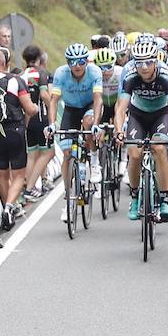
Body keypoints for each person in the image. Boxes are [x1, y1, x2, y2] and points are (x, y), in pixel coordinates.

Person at [114, 40, 168, 222]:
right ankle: (134, 198)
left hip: (161, 115)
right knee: (134, 154)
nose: (144, 67)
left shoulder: (166, 76)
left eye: (148, 62)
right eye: (139, 62)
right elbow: (120, 109)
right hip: (138, 115)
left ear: (156, 61)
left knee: (159, 148)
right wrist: (119, 130)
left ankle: (164, 200)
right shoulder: (131, 76)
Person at [0, 47, 39, 230]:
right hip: (15, 131)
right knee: (19, 175)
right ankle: (9, 207)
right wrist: (36, 108)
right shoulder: (15, 81)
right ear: (5, 63)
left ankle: (7, 212)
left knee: (2, 175)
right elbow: (29, 109)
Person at [47, 43, 103, 223]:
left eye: (80, 61)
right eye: (72, 62)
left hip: (88, 107)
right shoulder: (61, 73)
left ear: (86, 61)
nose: (77, 66)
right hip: (70, 109)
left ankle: (94, 159)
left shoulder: (94, 72)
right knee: (66, 154)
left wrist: (95, 124)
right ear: (67, 63)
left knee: (88, 124)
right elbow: (54, 100)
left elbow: (98, 99)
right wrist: (51, 124)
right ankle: (68, 197)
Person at [21, 46, 54, 200]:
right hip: (42, 118)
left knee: (32, 155)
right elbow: (44, 94)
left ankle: (30, 187)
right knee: (48, 152)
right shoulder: (41, 73)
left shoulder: (21, 75)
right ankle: (29, 188)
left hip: (27, 120)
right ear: (39, 58)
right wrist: (52, 106)